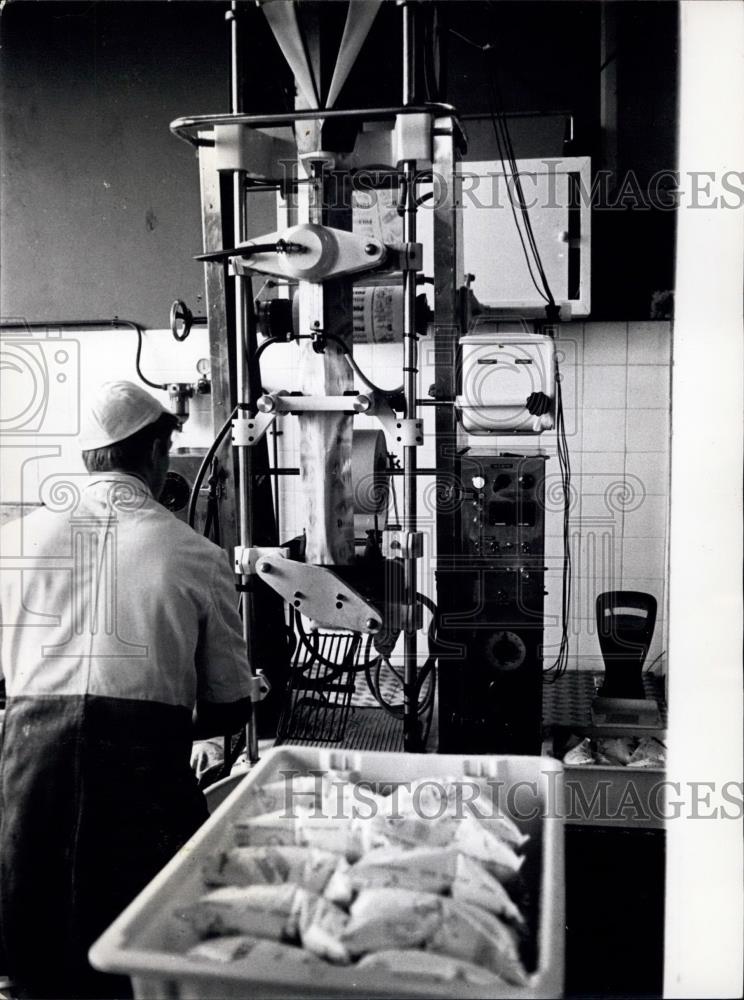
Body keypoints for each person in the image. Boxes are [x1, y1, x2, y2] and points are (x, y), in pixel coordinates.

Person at [0, 381, 255, 999]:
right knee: (138, 962)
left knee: (29, 969)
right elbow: (229, 705)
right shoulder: (195, 555)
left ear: (87, 456)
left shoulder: (13, 542)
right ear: (157, 450)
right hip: (141, 792)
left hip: (28, 782)